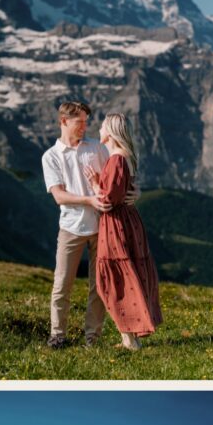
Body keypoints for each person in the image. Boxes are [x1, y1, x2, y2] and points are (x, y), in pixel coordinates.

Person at [86, 114, 163, 350]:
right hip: (126, 222)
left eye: (101, 127)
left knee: (114, 279)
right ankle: (129, 337)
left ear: (109, 132)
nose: (98, 130)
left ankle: (130, 339)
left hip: (116, 224)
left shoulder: (117, 159)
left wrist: (94, 185)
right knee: (126, 275)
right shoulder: (123, 159)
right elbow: (119, 191)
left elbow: (108, 200)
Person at [42, 101, 112, 348]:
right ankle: (58, 335)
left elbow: (111, 182)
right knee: (62, 284)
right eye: (79, 122)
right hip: (71, 227)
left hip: (102, 227)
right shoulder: (51, 157)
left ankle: (92, 338)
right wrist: (89, 199)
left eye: (86, 121)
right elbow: (59, 196)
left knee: (99, 286)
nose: (85, 126)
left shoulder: (96, 148)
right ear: (63, 122)